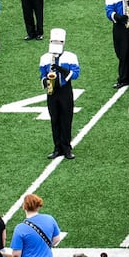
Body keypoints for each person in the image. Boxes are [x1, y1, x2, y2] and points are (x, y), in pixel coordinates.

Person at [39, 29, 78, 160]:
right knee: (54, 120)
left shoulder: (71, 56)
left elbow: (76, 73)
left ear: (63, 42)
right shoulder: (45, 58)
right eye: (53, 41)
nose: (56, 43)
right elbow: (42, 75)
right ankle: (57, 148)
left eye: (59, 41)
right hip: (52, 92)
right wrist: (46, 82)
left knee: (66, 120)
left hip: (65, 91)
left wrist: (61, 69)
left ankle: (67, 148)